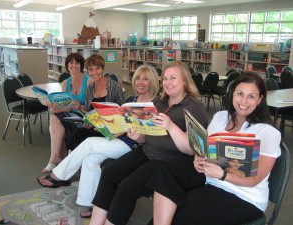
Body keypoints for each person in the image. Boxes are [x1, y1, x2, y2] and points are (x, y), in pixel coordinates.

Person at [146, 71, 281, 225]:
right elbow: (205, 148)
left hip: (243, 196)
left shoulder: (268, 133)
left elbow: (255, 180)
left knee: (178, 216)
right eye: (240, 94)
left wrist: (222, 175)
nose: (244, 101)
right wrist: (198, 158)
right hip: (211, 179)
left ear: (260, 99)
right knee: (165, 172)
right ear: (232, 94)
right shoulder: (221, 117)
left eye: (251, 96)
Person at [88, 61, 209, 225]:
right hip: (146, 151)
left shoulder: (194, 107)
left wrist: (171, 126)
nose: (167, 82)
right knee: (109, 174)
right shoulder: (159, 102)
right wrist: (137, 136)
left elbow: (190, 150)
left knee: (126, 188)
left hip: (169, 160)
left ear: (185, 81)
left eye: (173, 78)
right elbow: (146, 136)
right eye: (165, 78)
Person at [37, 65, 160, 218]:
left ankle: (59, 175)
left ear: (153, 81)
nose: (140, 82)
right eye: (138, 79)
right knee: (91, 158)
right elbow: (118, 124)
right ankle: (91, 203)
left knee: (89, 143)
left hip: (136, 147)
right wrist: (102, 124)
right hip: (119, 139)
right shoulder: (131, 100)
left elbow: (156, 133)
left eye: (145, 79)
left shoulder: (158, 104)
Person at [42, 54, 124, 173]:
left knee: (79, 134)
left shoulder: (114, 86)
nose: (94, 72)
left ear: (103, 69)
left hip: (110, 128)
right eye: (91, 69)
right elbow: (89, 109)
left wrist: (102, 123)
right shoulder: (90, 88)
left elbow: (122, 110)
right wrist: (87, 117)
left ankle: (63, 172)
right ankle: (65, 169)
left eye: (97, 68)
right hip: (95, 125)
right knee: (78, 133)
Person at [42, 53, 91, 173]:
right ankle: (54, 158)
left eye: (77, 63)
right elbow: (66, 106)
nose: (74, 65)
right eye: (71, 62)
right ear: (67, 65)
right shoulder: (65, 83)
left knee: (61, 122)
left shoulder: (89, 82)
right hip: (69, 114)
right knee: (54, 116)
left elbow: (92, 107)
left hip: (83, 115)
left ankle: (61, 159)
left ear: (81, 65)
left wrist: (81, 106)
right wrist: (57, 108)